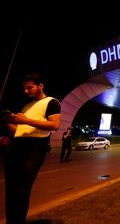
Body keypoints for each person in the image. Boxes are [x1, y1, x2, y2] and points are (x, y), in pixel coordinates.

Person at [3, 72, 61, 223]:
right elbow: (18, 132)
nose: (26, 91)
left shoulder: (52, 102)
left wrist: (26, 120)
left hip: (34, 149)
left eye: (30, 88)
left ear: (40, 86)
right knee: (11, 190)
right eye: (24, 88)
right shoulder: (27, 105)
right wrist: (8, 121)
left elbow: (54, 125)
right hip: (17, 147)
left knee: (22, 189)